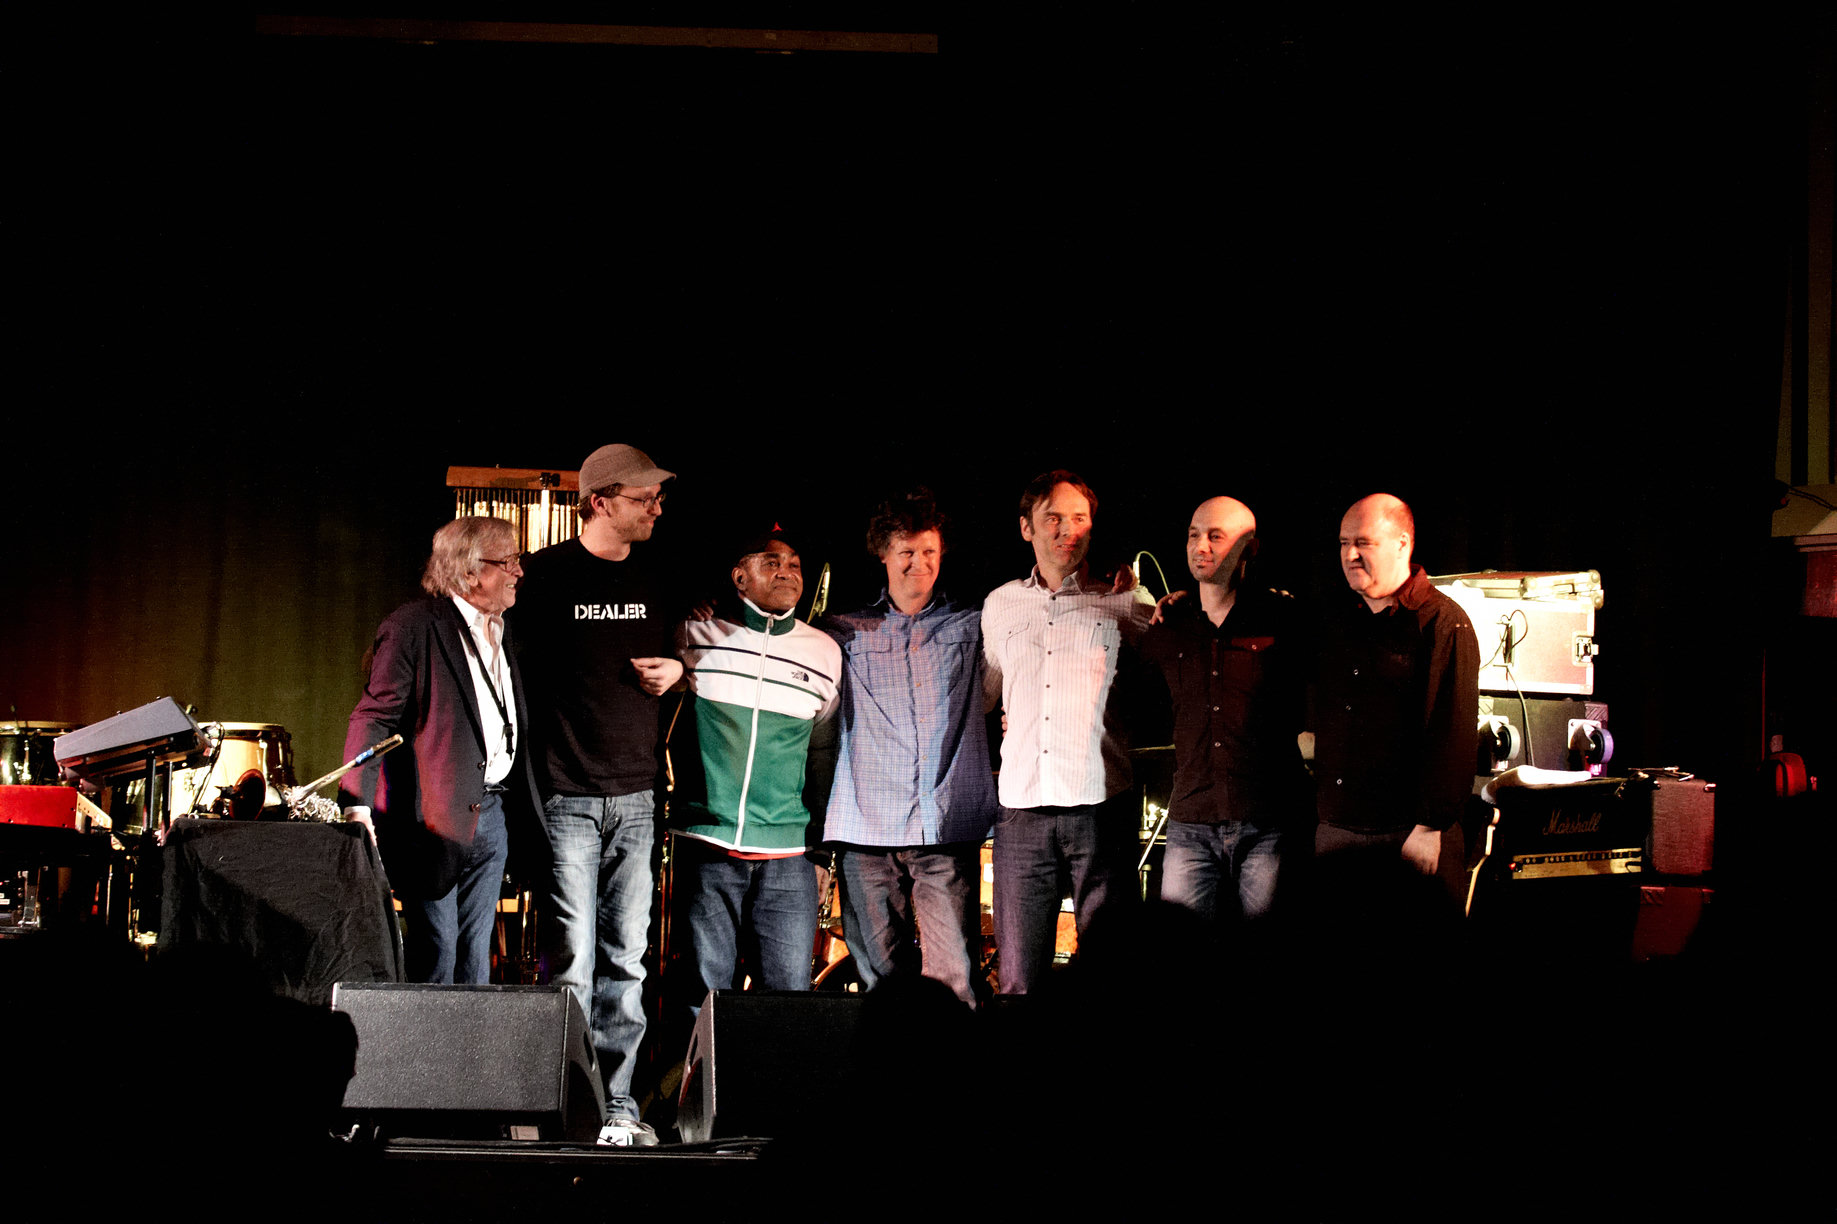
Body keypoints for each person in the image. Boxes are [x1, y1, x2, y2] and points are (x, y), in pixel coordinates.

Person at [513, 442, 682, 1147]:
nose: (656, 508)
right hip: (567, 797)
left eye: (658, 497)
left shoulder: (660, 577)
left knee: (626, 962)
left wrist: (678, 669)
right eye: (644, 497)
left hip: (637, 797)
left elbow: (684, 654)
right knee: (572, 963)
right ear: (599, 502)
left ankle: (617, 1106)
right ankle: (565, 1106)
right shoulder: (542, 578)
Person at [809, 490, 998, 1007]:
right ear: (884, 555)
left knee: (956, 982)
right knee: (881, 987)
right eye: (907, 552)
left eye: (929, 551)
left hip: (945, 825)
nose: (919, 562)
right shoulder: (842, 632)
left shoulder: (973, 625)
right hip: (865, 827)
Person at [341, 516, 539, 985]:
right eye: (508, 561)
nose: (518, 571)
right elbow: (374, 717)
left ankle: (472, 1037)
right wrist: (356, 805)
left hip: (493, 812)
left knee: (475, 959)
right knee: (438, 955)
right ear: (470, 572)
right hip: (431, 821)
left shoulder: (504, 629)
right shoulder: (413, 627)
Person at [981, 470, 1154, 994]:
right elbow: (984, 696)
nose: (1067, 529)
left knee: (1111, 975)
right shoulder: (1000, 604)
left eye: (1079, 518)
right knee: (1018, 980)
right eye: (1053, 517)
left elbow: (1180, 665)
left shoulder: (1127, 602)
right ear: (1026, 528)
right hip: (1021, 812)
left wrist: (1143, 589)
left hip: (1103, 807)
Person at [672, 528, 841, 1007]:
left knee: (787, 1005)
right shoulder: (695, 635)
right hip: (707, 844)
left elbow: (822, 754)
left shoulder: (824, 652)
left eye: (795, 564)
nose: (786, 571)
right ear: (739, 577)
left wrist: (820, 852)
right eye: (771, 562)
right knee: (705, 1002)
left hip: (788, 855)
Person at [1141, 496, 1308, 930]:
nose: (1201, 546)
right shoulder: (1171, 624)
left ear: (1250, 548)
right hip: (1191, 821)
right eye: (1194, 535)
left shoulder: (1284, 619)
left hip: (1267, 820)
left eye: (1216, 536)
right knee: (1181, 949)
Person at [1312, 492, 1480, 912]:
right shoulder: (1336, 618)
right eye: (1343, 543)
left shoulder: (1443, 622)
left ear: (1402, 543)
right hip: (1338, 829)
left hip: (1407, 833)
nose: (1349, 554)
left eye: (1363, 543)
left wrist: (1429, 827)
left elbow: (1453, 733)